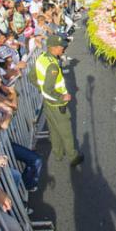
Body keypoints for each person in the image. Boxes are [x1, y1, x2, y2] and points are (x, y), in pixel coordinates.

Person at [32, 35, 82, 166]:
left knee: (53, 130)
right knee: (66, 132)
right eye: (62, 47)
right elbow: (48, 89)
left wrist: (41, 89)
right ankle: (73, 156)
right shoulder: (53, 66)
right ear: (53, 48)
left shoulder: (42, 58)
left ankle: (58, 153)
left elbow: (31, 76)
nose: (64, 49)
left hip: (48, 103)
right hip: (57, 104)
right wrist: (62, 97)